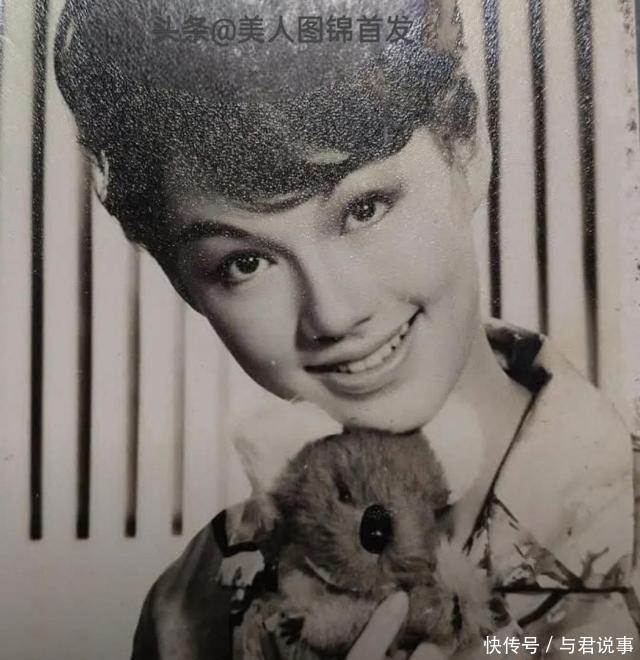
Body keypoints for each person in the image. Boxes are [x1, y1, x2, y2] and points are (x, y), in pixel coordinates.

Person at [54, 0, 640, 657]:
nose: (333, 313)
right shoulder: (198, 607)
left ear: (465, 146)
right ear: (182, 281)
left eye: (365, 208)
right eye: (245, 263)